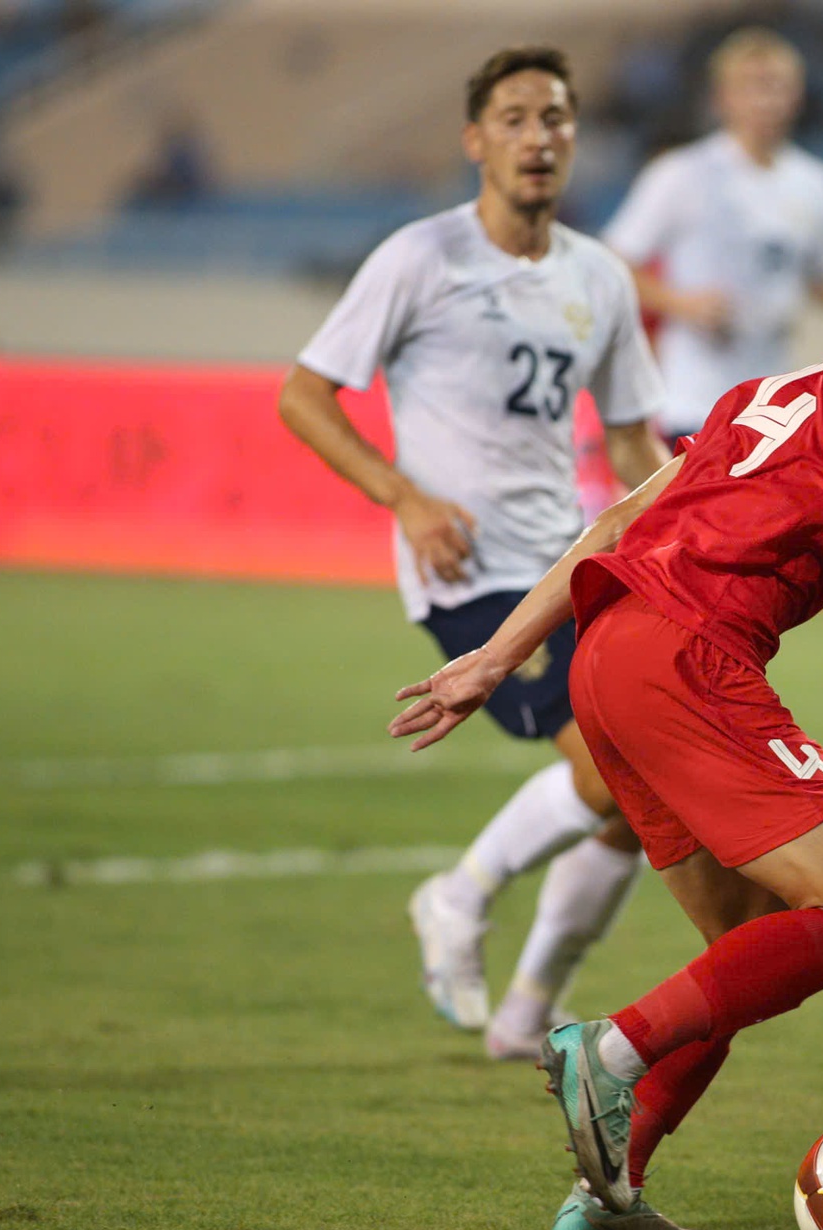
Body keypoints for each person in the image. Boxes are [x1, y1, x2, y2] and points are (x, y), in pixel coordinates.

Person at [389, 239, 823, 1230]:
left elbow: (622, 517)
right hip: (688, 656)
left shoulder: (777, 389)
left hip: (607, 653)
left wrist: (499, 656)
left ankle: (606, 1192)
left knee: (741, 949)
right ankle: (610, 1049)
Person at [278, 47, 670, 1061]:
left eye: (554, 118)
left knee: (645, 797)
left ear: (575, 138)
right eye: (513, 118)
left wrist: (680, 534)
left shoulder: (598, 276)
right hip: (465, 567)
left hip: (569, 559)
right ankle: (460, 893)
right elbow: (304, 394)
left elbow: (631, 436)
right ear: (474, 141)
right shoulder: (421, 257)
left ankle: (527, 1008)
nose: (537, 137)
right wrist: (403, 496)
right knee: (612, 765)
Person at [603, 26, 823, 442]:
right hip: (692, 400)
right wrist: (679, 302)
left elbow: (820, 284)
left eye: (777, 87)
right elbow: (609, 262)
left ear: (797, 96)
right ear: (722, 98)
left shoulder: (817, 184)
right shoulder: (682, 173)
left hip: (773, 405)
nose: (765, 100)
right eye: (752, 87)